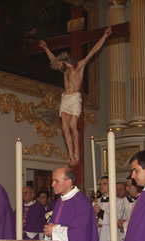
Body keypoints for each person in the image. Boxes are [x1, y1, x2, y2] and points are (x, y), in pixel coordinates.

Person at [39, 27, 112, 166]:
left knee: (73, 126)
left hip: (75, 98)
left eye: (64, 62)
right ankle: (71, 155)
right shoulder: (64, 71)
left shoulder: (80, 66)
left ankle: (77, 154)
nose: (62, 64)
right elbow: (53, 60)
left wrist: (104, 37)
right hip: (65, 98)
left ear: (69, 61)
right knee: (65, 128)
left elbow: (93, 51)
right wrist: (45, 48)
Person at [94, 176, 125, 241]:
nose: (101, 186)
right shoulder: (95, 202)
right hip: (98, 235)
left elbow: (115, 219)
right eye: (100, 184)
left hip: (110, 236)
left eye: (104, 184)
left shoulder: (118, 201)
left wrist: (100, 212)